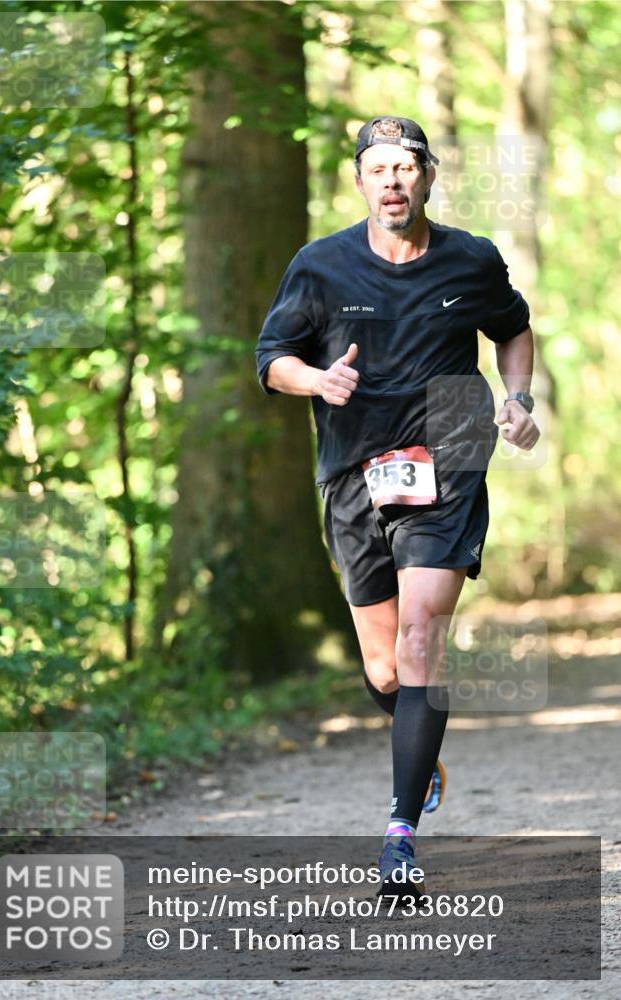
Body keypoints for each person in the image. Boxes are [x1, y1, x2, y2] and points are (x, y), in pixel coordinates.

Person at [254, 115, 540, 900]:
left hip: (447, 454)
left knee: (420, 638)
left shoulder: (470, 259)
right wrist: (316, 381)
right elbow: (270, 359)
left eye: (405, 167)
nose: (391, 180)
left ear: (427, 177)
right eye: (376, 168)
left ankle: (398, 837)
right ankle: (419, 750)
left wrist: (515, 399)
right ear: (357, 181)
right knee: (383, 666)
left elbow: (512, 330)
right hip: (351, 469)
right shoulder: (319, 266)